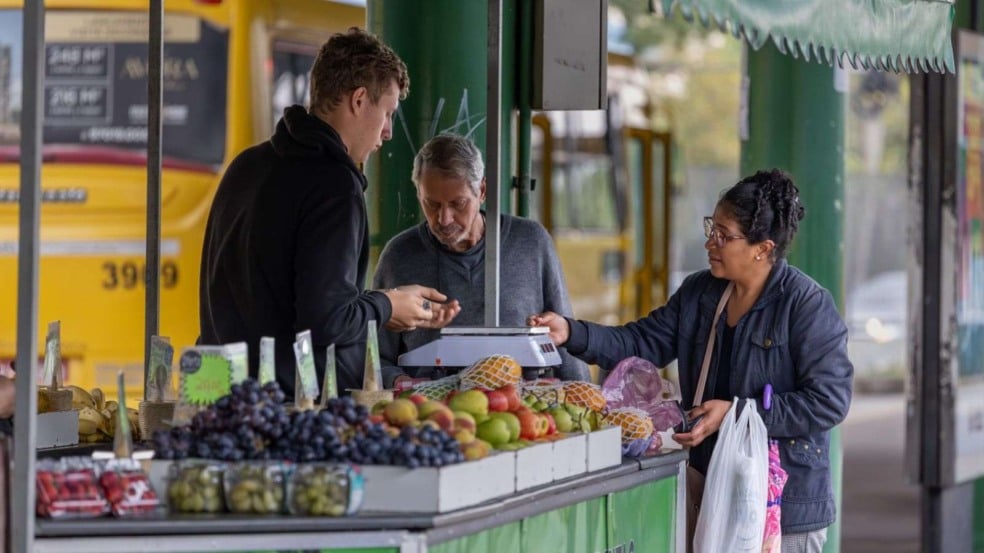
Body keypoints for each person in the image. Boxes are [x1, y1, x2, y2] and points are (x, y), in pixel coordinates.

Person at [530, 169, 853, 552]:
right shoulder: (700, 293)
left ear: (762, 249)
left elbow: (829, 400)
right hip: (709, 492)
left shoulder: (805, 306)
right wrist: (571, 332)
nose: (709, 244)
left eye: (723, 236)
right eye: (710, 229)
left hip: (782, 510)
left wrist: (735, 414)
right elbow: (641, 342)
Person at [199, 28, 460, 397]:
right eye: (387, 113)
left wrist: (387, 306)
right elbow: (327, 321)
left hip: (221, 395)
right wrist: (387, 305)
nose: (387, 133)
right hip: (295, 411)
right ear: (358, 100)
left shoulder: (248, 165)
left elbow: (284, 297)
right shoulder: (334, 185)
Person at [373, 134, 589, 387]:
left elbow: (565, 339)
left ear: (482, 191)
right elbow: (374, 355)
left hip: (525, 415)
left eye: (458, 203)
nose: (444, 219)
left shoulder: (531, 242)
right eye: (431, 204)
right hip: (428, 415)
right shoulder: (399, 255)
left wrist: (584, 399)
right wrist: (399, 382)